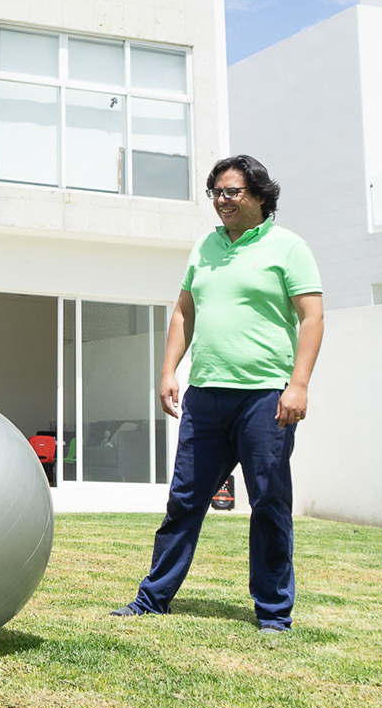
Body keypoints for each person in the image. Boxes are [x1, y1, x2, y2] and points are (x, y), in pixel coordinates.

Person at [113, 155, 324, 634]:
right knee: (184, 500)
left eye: (232, 192)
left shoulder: (289, 247)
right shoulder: (204, 247)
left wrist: (299, 384)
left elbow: (312, 317)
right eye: (216, 193)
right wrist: (169, 370)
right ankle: (152, 599)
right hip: (206, 395)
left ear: (259, 195)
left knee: (269, 502)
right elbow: (183, 312)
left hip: (264, 398)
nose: (223, 201)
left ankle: (273, 613)